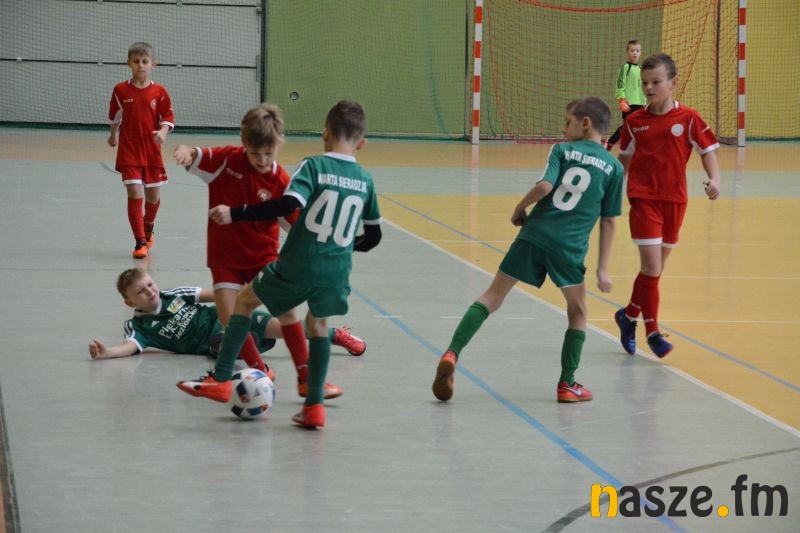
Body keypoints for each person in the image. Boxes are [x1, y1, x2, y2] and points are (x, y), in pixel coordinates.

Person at [176, 100, 382, 428]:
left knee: (247, 304)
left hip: (285, 260)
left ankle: (223, 377)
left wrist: (236, 213)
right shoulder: (365, 179)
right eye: (256, 153)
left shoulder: (310, 167)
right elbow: (373, 237)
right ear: (362, 142)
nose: (262, 160)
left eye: (268, 154)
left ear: (325, 133)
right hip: (334, 268)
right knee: (317, 324)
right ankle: (312, 403)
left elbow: (288, 208)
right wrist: (338, 248)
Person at [432, 97, 624, 404]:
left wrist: (520, 207)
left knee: (492, 297)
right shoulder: (614, 167)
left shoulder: (562, 150)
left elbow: (545, 187)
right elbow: (609, 221)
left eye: (568, 122)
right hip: (569, 248)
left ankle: (452, 352)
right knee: (578, 312)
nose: (564, 129)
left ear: (585, 123)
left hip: (534, 235)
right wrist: (602, 268)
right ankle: (567, 383)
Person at [613, 53, 721, 358]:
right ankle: (652, 332)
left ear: (673, 83)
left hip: (675, 201)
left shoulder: (688, 118)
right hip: (643, 199)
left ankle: (628, 315)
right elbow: (624, 160)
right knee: (651, 266)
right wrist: (610, 190)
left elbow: (707, 151)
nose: (649, 88)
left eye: (656, 82)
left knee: (654, 271)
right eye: (645, 83)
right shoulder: (634, 122)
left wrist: (715, 180)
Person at [89, 269, 368, 374]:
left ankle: (335, 335)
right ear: (130, 303)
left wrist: (246, 292)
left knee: (283, 328)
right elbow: (130, 346)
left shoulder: (174, 294)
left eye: (150, 284)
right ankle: (249, 353)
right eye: (141, 292)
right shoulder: (139, 327)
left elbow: (216, 293)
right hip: (209, 342)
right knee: (222, 345)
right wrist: (106, 352)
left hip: (224, 317)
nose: (150, 292)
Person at [108, 42, 174, 259]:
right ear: (129, 63)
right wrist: (113, 134)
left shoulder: (159, 91)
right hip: (129, 150)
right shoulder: (120, 90)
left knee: (153, 197)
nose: (140, 65)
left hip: (151, 152)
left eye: (145, 61)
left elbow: (168, 116)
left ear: (153, 65)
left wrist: (163, 132)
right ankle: (140, 241)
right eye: (136, 61)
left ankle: (149, 226)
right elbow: (115, 116)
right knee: (134, 192)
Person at [605, 40, 645, 151]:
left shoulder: (641, 69)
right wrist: (622, 99)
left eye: (637, 51)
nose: (634, 53)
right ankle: (611, 141)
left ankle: (636, 149)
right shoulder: (625, 67)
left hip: (641, 103)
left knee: (638, 127)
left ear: (640, 53)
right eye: (632, 50)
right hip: (629, 103)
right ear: (627, 52)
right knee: (628, 126)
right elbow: (620, 84)